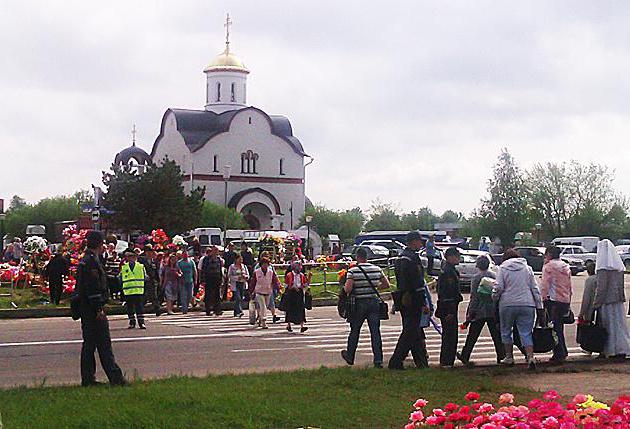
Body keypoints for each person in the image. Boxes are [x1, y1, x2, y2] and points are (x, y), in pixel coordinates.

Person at [76, 230, 125, 386]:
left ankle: (88, 379)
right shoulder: (91, 262)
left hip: (86, 307)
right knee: (103, 344)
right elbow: (92, 287)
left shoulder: (88, 260)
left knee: (89, 345)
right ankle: (115, 379)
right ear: (99, 243)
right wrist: (99, 309)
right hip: (92, 309)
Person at [492, 249, 544, 370]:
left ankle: (509, 357)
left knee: (506, 330)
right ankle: (530, 357)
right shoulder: (527, 268)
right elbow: (535, 288)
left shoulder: (503, 268)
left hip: (507, 304)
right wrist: (539, 306)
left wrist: (494, 297)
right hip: (527, 303)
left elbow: (498, 287)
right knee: (526, 332)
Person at [341, 247, 389, 368]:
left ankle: (350, 356)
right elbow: (386, 285)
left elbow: (348, 289)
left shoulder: (353, 271)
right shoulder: (377, 269)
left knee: (355, 330)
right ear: (367, 257)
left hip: (359, 303)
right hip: (374, 302)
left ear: (357, 257)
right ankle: (378, 360)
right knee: (375, 332)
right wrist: (375, 286)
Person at [388, 231, 429, 370]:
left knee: (414, 332)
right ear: (413, 241)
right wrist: (423, 302)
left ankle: (421, 362)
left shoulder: (400, 258)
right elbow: (417, 282)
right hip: (413, 298)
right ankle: (396, 361)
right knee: (410, 332)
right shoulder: (412, 258)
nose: (421, 244)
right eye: (419, 241)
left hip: (403, 297)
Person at [458, 256, 504, 366]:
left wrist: (470, 312)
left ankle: (465, 355)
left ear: (477, 265)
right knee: (496, 335)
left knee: (473, 335)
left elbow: (474, 296)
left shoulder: (476, 278)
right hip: (492, 310)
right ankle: (501, 356)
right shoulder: (494, 275)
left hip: (479, 311)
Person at [593, 239, 630, 359]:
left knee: (609, 326)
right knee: (619, 325)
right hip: (618, 300)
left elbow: (601, 288)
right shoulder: (618, 266)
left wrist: (596, 303)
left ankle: (611, 349)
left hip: (607, 301)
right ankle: (622, 348)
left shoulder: (602, 267)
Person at [540, 245, 573, 364]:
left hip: (553, 301)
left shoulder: (548, 267)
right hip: (564, 299)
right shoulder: (565, 266)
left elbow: (545, 285)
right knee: (560, 327)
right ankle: (563, 350)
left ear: (549, 254)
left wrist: (543, 299)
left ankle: (559, 352)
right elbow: (569, 285)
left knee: (554, 327)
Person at [436, 246, 463, 368]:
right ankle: (447, 361)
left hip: (448, 305)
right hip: (449, 306)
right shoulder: (448, 272)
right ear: (451, 257)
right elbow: (449, 293)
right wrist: (450, 311)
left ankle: (447, 360)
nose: (459, 258)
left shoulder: (448, 269)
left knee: (450, 335)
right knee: (450, 336)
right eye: (457, 256)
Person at [249, 257, 281, 329]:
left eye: (266, 264)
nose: (265, 265)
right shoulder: (256, 272)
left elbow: (275, 281)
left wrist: (279, 289)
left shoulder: (271, 272)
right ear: (261, 264)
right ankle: (264, 322)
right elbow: (253, 283)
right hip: (259, 292)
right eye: (264, 264)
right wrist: (251, 291)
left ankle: (260, 319)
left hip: (268, 292)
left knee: (265, 307)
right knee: (263, 306)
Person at [120, 251, 146, 329]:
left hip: (138, 290)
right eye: (129, 257)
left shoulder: (141, 266)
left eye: (132, 257)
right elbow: (121, 277)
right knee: (130, 308)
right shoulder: (124, 267)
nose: (131, 258)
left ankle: (141, 322)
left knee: (139, 307)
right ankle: (132, 322)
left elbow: (145, 277)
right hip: (128, 291)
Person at [284, 261, 311, 333]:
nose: (300, 268)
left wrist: (309, 277)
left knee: (301, 309)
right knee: (290, 309)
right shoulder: (289, 275)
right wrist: (292, 287)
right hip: (292, 293)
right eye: (299, 266)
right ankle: (289, 325)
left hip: (299, 292)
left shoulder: (302, 275)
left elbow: (306, 284)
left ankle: (302, 326)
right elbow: (286, 286)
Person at [140, 244, 162, 316]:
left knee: (154, 296)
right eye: (148, 252)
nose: (150, 253)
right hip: (144, 281)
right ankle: (139, 310)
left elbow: (156, 271)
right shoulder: (141, 260)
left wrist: (158, 280)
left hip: (152, 281)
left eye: (151, 252)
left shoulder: (154, 261)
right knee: (143, 296)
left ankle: (157, 310)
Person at [202, 246, 224, 316]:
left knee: (217, 295)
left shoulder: (218, 259)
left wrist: (221, 279)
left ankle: (217, 310)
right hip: (209, 278)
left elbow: (220, 269)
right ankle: (208, 310)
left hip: (217, 278)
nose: (216, 252)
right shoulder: (206, 259)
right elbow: (204, 269)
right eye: (214, 250)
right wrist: (203, 279)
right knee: (208, 294)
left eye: (217, 251)